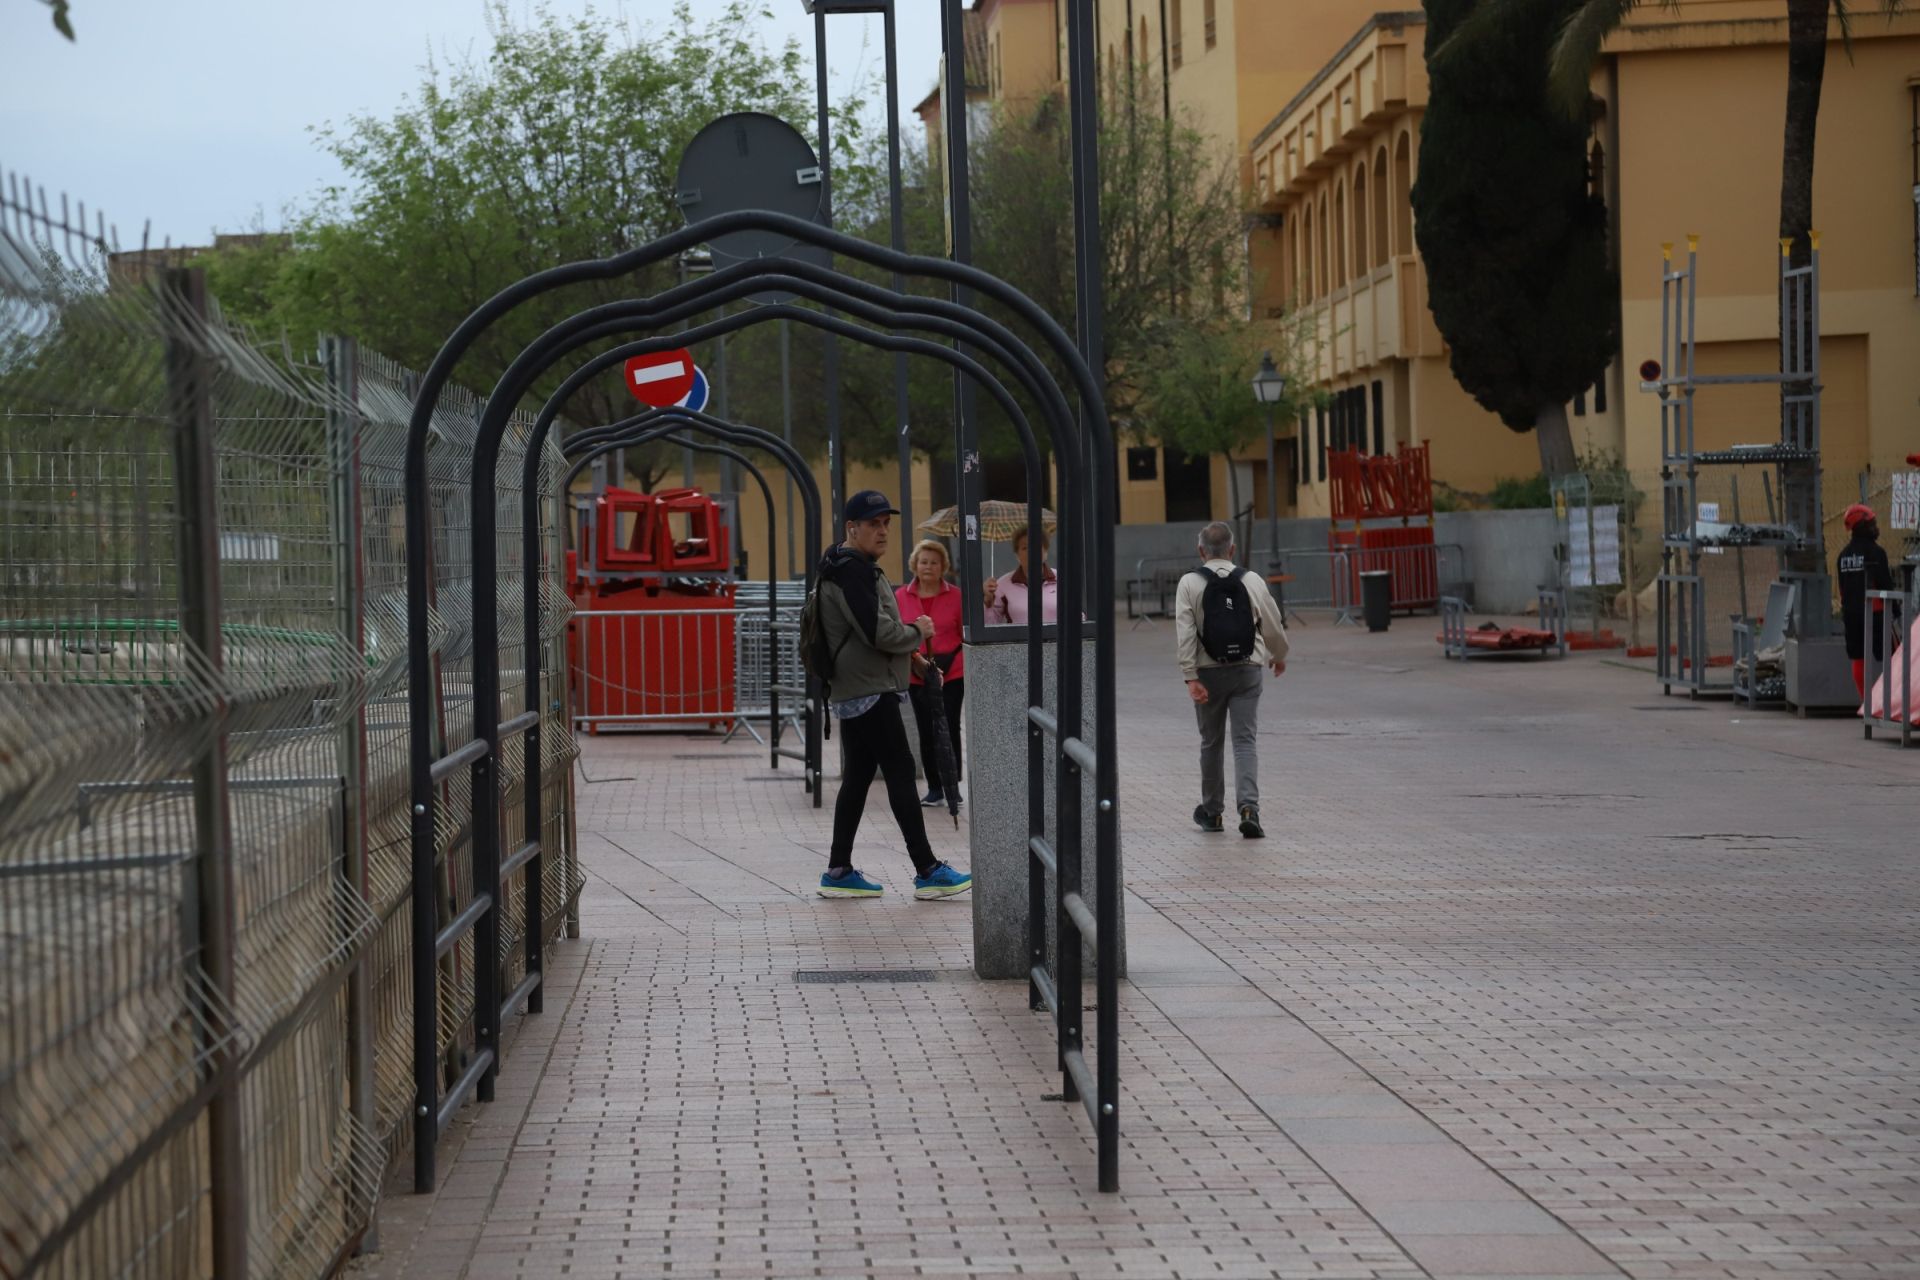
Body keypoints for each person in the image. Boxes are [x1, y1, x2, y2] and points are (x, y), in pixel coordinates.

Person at [814, 490, 973, 901]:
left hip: (861, 686)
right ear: (853, 528)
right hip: (869, 688)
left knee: (859, 778)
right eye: (873, 524)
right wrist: (918, 632)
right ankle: (927, 870)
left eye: (886, 522)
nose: (883, 531)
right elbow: (879, 632)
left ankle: (838, 870)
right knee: (901, 771)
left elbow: (877, 632)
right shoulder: (852, 571)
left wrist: (914, 659)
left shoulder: (849, 564)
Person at [1174, 521, 1289, 839]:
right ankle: (1249, 809)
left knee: (1211, 742)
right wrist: (1278, 655)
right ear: (1232, 549)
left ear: (1201, 551)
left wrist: (1189, 675)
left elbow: (1185, 632)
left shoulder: (1188, 583)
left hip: (1208, 673)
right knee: (1244, 741)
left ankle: (1212, 813)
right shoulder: (1251, 579)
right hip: (1247, 669)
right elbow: (1273, 623)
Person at [895, 539, 966, 808]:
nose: (928, 567)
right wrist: (919, 661)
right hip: (917, 671)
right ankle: (935, 787)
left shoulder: (956, 596)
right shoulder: (902, 596)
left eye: (934, 562)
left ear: (943, 566)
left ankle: (952, 786)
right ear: (915, 564)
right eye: (924, 561)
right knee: (926, 729)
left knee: (947, 727)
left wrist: (949, 663)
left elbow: (963, 635)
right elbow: (900, 634)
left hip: (952, 672)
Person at [1837, 503, 1897, 695]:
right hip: (1877, 613)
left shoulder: (1843, 556)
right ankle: (1893, 700)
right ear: (1863, 526)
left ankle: (1866, 703)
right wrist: (1895, 611)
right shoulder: (1876, 552)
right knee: (1894, 657)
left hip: (1852, 615)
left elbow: (1842, 589)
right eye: (1872, 523)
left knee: (1858, 658)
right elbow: (1886, 585)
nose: (1876, 527)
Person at [984, 525, 1059, 624]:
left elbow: (1077, 616)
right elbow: (990, 625)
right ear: (1017, 555)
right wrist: (987, 604)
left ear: (1045, 552)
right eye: (1025, 548)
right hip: (1019, 639)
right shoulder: (1002, 585)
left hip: (1057, 639)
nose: (1031, 551)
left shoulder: (1062, 579)